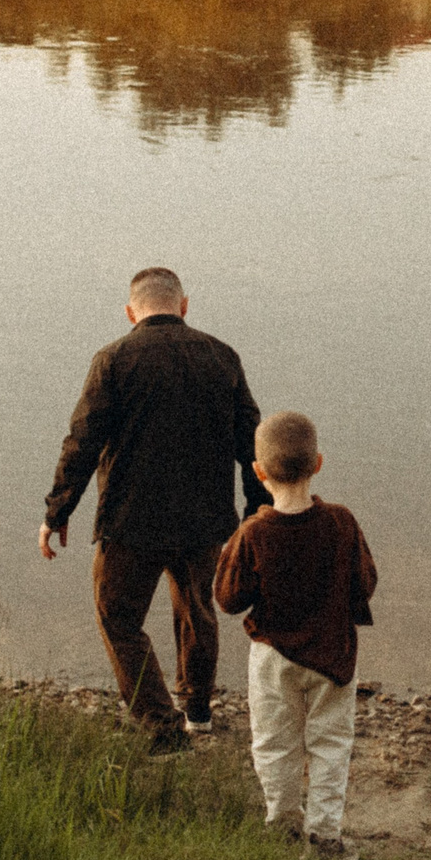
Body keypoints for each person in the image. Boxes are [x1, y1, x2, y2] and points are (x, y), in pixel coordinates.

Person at [39, 265, 266, 754]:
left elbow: (82, 441)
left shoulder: (114, 359)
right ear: (184, 306)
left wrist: (58, 511)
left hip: (130, 519)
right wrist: (258, 511)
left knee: (118, 617)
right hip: (205, 518)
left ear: (130, 313)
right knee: (197, 610)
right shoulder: (221, 357)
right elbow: (252, 444)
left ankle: (161, 726)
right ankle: (198, 712)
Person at [214, 410, 378, 860]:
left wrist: (232, 554)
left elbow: (227, 600)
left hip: (272, 657)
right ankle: (325, 840)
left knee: (274, 742)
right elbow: (365, 582)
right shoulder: (342, 523)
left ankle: (282, 825)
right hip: (333, 656)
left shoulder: (252, 533)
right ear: (318, 464)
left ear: (259, 472)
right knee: (330, 744)